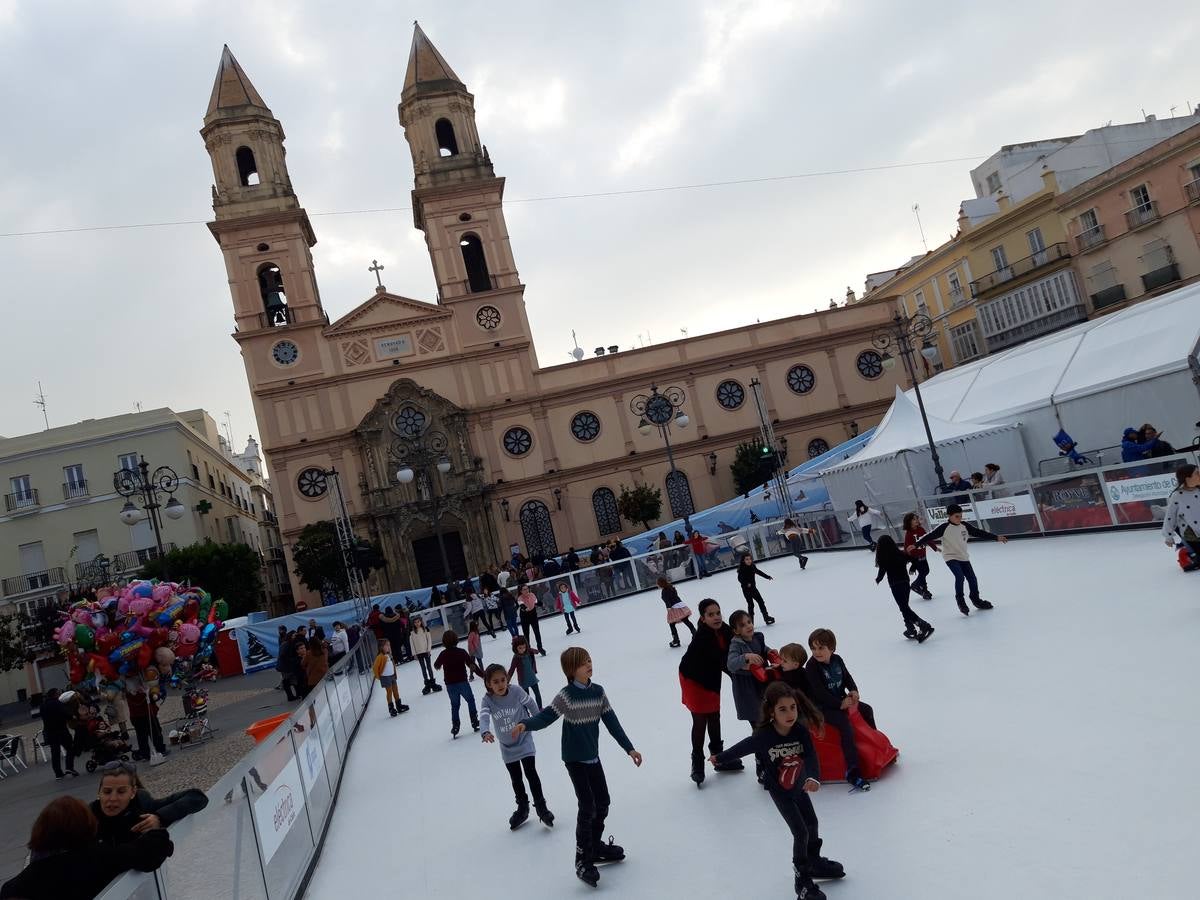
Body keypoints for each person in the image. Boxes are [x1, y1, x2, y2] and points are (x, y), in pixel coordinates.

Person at [512, 647, 642, 887]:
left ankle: (594, 846)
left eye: (589, 660)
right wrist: (524, 724)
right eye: (583, 663)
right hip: (574, 759)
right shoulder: (567, 695)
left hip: (592, 757)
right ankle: (582, 858)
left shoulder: (598, 692)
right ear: (571, 671)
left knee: (603, 802)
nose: (589, 665)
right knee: (588, 805)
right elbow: (546, 717)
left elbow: (612, 722)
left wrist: (629, 748)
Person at [711, 683, 844, 900]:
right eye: (783, 709)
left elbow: (810, 755)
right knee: (800, 832)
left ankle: (813, 862)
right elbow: (744, 747)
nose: (790, 713)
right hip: (780, 792)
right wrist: (720, 757)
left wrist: (812, 777)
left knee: (812, 824)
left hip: (800, 786)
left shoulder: (800, 731)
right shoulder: (764, 735)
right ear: (771, 711)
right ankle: (801, 879)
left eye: (793, 707)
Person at [0, 796, 173, 900]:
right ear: (87, 825)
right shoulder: (98, 858)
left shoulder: (17, 886)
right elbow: (151, 849)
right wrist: (157, 826)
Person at [480, 664, 554, 830]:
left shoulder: (516, 691)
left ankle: (541, 807)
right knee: (516, 779)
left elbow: (531, 704)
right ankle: (523, 807)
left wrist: (539, 719)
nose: (500, 684)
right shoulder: (488, 700)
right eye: (495, 682)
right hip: (507, 746)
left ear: (507, 679)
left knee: (531, 774)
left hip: (524, 739)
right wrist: (485, 731)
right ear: (488, 684)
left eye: (503, 680)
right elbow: (484, 715)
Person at [678, 598, 740, 786]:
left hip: (711, 679)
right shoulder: (703, 636)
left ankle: (718, 757)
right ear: (703, 619)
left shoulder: (725, 629)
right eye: (711, 614)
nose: (716, 617)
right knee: (700, 719)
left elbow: (736, 647)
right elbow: (723, 662)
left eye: (718, 613)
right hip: (694, 680)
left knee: (715, 716)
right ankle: (697, 763)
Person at [805, 628, 875, 791]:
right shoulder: (812, 667)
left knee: (866, 710)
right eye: (813, 648)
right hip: (822, 708)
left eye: (821, 648)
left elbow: (847, 678)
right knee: (844, 725)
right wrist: (839, 704)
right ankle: (853, 771)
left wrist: (853, 690)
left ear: (832, 648)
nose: (816, 652)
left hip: (841, 701)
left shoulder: (837, 660)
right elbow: (819, 693)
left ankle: (874, 750)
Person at [916, 503, 1008, 615]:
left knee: (972, 579)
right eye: (956, 516)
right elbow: (930, 536)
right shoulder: (944, 527)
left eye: (961, 516)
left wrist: (996, 537)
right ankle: (960, 601)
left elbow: (979, 532)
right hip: (950, 557)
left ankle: (976, 600)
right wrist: (916, 544)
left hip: (963, 557)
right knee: (959, 576)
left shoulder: (964, 525)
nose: (959, 518)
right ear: (949, 516)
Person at [92, 761, 208, 847]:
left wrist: (160, 818)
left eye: (121, 792)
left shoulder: (143, 806)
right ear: (99, 792)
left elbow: (196, 797)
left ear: (133, 793)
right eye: (107, 792)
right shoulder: (86, 818)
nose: (112, 798)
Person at [727, 609, 776, 785]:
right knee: (759, 732)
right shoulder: (736, 644)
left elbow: (763, 649)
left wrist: (771, 653)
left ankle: (773, 762)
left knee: (769, 728)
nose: (748, 626)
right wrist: (746, 658)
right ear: (735, 630)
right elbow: (731, 664)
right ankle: (761, 768)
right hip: (748, 695)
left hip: (763, 691)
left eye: (749, 622)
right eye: (742, 625)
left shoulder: (758, 637)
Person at [875, 536, 935, 642]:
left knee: (904, 608)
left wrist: (878, 579)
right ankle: (910, 628)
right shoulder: (901, 554)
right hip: (905, 583)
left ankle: (922, 624)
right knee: (904, 607)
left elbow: (882, 571)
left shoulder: (884, 557)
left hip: (895, 584)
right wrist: (912, 567)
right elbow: (914, 560)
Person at [434, 630, 484, 738]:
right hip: (462, 682)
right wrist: (483, 675)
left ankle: (455, 726)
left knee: (455, 705)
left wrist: (441, 664)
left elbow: (436, 665)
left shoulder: (443, 654)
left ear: (444, 642)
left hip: (450, 685)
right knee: (470, 700)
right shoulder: (461, 652)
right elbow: (472, 665)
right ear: (456, 640)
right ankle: (474, 721)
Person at [1161, 464, 1200, 557]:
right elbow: (1170, 516)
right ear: (1187, 478)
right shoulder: (1177, 496)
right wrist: (1168, 536)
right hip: (1192, 533)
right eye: (1197, 473)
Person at [39, 687, 79, 779]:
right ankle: (69, 767)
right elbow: (65, 714)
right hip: (61, 730)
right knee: (70, 748)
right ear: (55, 694)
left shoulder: (43, 705)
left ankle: (58, 773)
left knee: (55, 753)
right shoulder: (58, 703)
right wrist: (72, 717)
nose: (60, 695)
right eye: (59, 693)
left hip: (49, 732)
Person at [125, 685, 167, 762]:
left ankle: (146, 754)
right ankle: (159, 749)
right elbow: (153, 697)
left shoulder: (127, 687)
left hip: (137, 715)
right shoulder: (137, 687)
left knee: (142, 736)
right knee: (153, 732)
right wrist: (155, 695)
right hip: (145, 713)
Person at [902, 511, 935, 600]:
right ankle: (915, 585)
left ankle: (924, 590)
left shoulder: (921, 529)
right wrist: (912, 561)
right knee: (924, 572)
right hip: (915, 557)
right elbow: (907, 547)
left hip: (923, 555)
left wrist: (935, 548)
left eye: (917, 519)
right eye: (914, 519)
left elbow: (928, 539)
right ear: (909, 522)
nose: (916, 520)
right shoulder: (909, 534)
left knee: (924, 572)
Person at [736, 552, 776, 625]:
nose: (749, 561)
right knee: (751, 605)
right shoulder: (742, 569)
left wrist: (767, 577)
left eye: (750, 559)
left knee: (761, 602)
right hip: (746, 590)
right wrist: (746, 583)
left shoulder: (752, 566)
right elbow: (740, 579)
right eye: (747, 559)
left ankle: (766, 617)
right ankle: (750, 622)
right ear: (743, 561)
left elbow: (758, 572)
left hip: (753, 589)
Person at [372, 639, 409, 716]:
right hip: (385, 677)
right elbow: (375, 668)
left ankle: (399, 705)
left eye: (389, 645)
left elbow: (392, 665)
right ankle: (391, 708)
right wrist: (379, 676)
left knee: (395, 690)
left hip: (392, 675)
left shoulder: (389, 655)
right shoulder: (380, 657)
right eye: (386, 645)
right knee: (389, 692)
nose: (388, 647)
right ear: (381, 647)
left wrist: (394, 673)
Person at [657, 576, 695, 648]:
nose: (657, 585)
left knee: (672, 624)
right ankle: (695, 634)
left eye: (658, 584)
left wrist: (669, 609)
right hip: (681, 605)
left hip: (674, 608)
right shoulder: (671, 587)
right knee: (686, 620)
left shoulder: (664, 591)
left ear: (660, 584)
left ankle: (676, 640)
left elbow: (667, 601)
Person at [507, 635, 543, 708]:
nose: (522, 649)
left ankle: (540, 708)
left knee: (537, 693)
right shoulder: (516, 658)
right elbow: (511, 669)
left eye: (524, 647)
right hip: (523, 680)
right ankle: (526, 711)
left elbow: (533, 650)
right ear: (515, 648)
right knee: (526, 697)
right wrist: (507, 681)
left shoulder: (528, 651)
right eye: (520, 648)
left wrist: (538, 651)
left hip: (532, 677)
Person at [411, 617, 440, 695]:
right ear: (413, 623)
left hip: (426, 651)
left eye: (418, 622)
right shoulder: (412, 633)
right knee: (423, 669)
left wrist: (428, 650)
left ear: (421, 622)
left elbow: (429, 640)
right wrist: (414, 654)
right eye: (415, 622)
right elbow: (412, 644)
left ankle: (432, 682)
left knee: (429, 667)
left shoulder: (425, 630)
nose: (417, 623)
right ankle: (427, 683)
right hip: (419, 653)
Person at [517, 584, 547, 656]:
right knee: (526, 634)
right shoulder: (520, 598)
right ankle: (528, 649)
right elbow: (521, 605)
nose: (526, 590)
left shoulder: (532, 595)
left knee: (537, 632)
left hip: (533, 615)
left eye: (527, 588)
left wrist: (542, 604)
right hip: (524, 617)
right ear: (521, 591)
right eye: (524, 589)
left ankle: (540, 648)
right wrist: (525, 608)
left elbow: (536, 602)